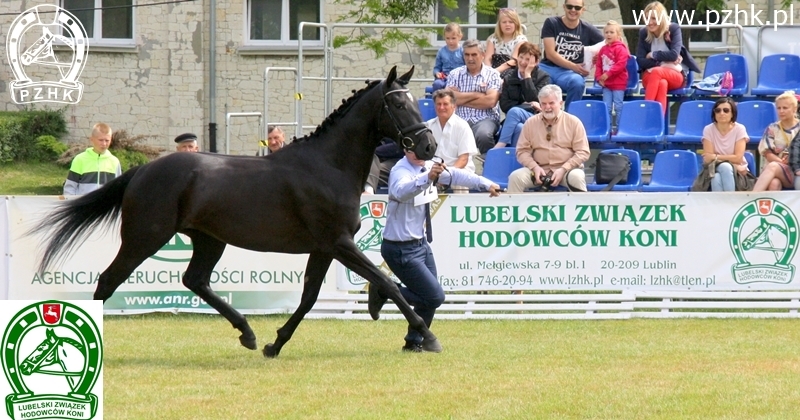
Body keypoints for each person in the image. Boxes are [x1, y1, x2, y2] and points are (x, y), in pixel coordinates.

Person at [368, 149, 501, 352]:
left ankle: (413, 342)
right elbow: (400, 191)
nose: (421, 153)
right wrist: (427, 178)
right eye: (416, 149)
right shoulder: (400, 170)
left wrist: (485, 183)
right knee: (434, 296)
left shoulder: (429, 165)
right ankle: (383, 289)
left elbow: (456, 174)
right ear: (406, 149)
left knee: (428, 298)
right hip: (399, 248)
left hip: (420, 244)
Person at [507, 84, 590, 193]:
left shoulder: (574, 122)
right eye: (543, 104)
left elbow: (583, 152)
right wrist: (534, 167)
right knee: (515, 177)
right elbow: (522, 151)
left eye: (551, 103)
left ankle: (580, 208)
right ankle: (515, 210)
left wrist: (563, 169)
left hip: (567, 170)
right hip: (539, 170)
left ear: (561, 103)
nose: (547, 107)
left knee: (577, 177)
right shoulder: (530, 123)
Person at [636, 1, 701, 116]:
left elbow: (674, 55)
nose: (650, 22)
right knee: (662, 83)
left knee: (658, 73)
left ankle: (645, 115)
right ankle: (659, 123)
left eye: (654, 18)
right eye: (647, 18)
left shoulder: (673, 29)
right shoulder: (643, 32)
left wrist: (653, 54)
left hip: (674, 75)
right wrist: (663, 61)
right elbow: (640, 60)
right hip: (650, 76)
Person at [538, 0, 604, 109]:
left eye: (577, 8)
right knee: (537, 80)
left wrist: (598, 56)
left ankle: (569, 119)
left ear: (583, 10)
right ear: (564, 7)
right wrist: (573, 66)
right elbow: (550, 54)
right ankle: (540, 117)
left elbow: (611, 43)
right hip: (548, 68)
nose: (573, 10)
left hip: (570, 73)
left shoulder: (588, 29)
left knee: (577, 83)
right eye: (570, 7)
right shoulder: (551, 22)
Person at [446, 39, 502, 154]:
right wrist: (477, 95)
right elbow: (449, 100)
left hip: (485, 118)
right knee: (446, 133)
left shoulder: (493, 74)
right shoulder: (454, 74)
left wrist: (460, 98)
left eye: (474, 54)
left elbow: (490, 102)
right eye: (467, 55)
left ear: (482, 55)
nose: (470, 58)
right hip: (459, 119)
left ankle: (488, 165)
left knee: (484, 135)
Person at [496, 42, 550, 148]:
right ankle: (515, 160)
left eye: (528, 59)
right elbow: (504, 105)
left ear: (536, 62)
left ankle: (500, 146)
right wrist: (526, 105)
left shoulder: (543, 78)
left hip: (536, 118)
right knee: (519, 127)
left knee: (515, 111)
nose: (523, 62)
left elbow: (537, 101)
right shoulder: (509, 77)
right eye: (521, 57)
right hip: (513, 120)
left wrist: (527, 76)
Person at [753, 92, 800, 191]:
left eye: (785, 108)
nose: (781, 111)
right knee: (774, 183)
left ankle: (751, 197)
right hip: (778, 168)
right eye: (779, 108)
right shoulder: (772, 128)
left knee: (773, 167)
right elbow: (768, 154)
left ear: (794, 109)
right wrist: (781, 162)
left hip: (796, 169)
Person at [700, 97, 749, 191]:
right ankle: (730, 202)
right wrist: (730, 162)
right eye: (718, 110)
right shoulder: (708, 129)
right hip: (713, 169)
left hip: (738, 172)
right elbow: (708, 159)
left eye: (726, 110)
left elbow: (738, 158)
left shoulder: (740, 129)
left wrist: (715, 157)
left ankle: (721, 204)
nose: (721, 113)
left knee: (716, 177)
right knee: (723, 169)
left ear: (732, 114)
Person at [428, 89, 478, 174]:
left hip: (458, 172)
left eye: (445, 104)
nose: (441, 107)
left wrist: (446, 175)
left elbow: (463, 159)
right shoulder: (429, 126)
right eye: (438, 104)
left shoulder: (462, 127)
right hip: (433, 172)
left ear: (454, 106)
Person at [63, 123, 122, 195]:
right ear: (92, 139)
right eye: (100, 140)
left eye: (107, 140)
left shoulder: (114, 162)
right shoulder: (80, 159)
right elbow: (70, 188)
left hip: (106, 206)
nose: (104, 144)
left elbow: (118, 189)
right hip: (84, 205)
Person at [595, 20, 629, 134]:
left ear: (618, 35)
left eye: (611, 32)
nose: (608, 34)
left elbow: (620, 64)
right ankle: (608, 129)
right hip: (607, 85)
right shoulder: (603, 49)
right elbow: (599, 64)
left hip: (618, 83)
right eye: (606, 32)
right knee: (607, 107)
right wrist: (599, 77)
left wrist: (608, 74)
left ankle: (619, 129)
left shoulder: (621, 48)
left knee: (618, 107)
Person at [483, 8, 527, 78]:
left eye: (511, 22)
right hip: (493, 66)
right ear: (499, 24)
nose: (507, 24)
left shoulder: (521, 39)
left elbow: (514, 60)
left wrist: (495, 71)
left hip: (510, 68)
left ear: (516, 24)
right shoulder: (493, 38)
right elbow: (488, 58)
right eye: (504, 22)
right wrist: (489, 70)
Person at [432, 23, 465, 92]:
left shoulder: (463, 51)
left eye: (453, 38)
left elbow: (467, 67)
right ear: (444, 37)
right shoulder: (441, 51)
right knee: (436, 84)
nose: (450, 41)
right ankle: (437, 101)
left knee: (451, 86)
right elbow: (437, 67)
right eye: (448, 38)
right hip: (444, 78)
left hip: (458, 79)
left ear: (460, 37)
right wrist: (437, 73)